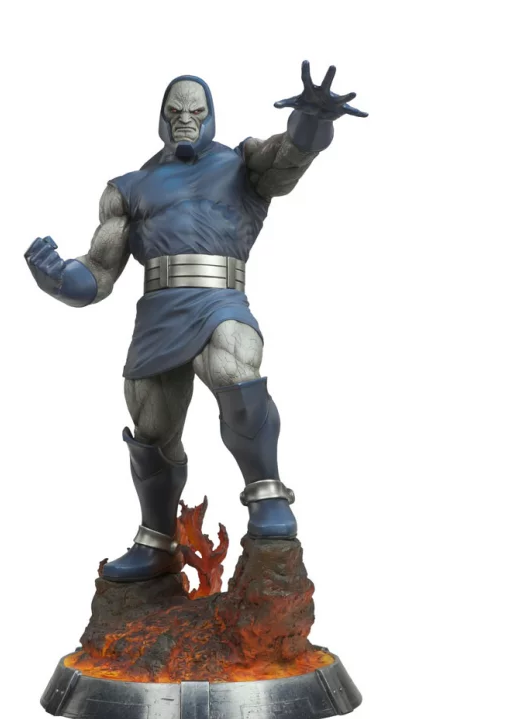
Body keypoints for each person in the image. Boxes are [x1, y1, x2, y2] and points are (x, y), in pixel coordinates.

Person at [25, 61, 367, 582]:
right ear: (161, 117)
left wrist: (312, 120)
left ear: (210, 116)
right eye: (175, 111)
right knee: (152, 429)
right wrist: (56, 278)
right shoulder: (127, 188)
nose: (185, 119)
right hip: (158, 312)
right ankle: (156, 541)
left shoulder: (240, 164)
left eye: (196, 111)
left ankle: (268, 496)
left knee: (234, 366)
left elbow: (287, 157)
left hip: (219, 299)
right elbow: (98, 271)